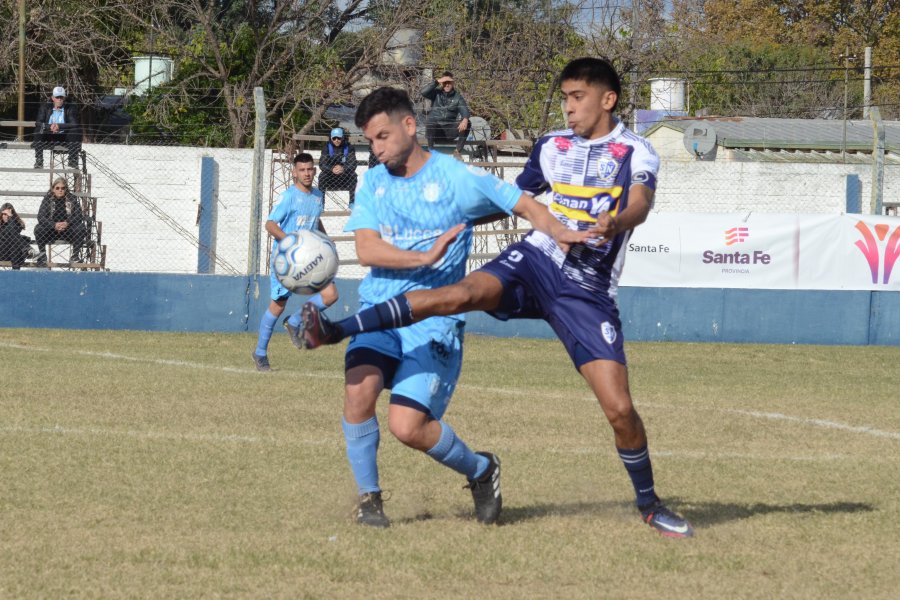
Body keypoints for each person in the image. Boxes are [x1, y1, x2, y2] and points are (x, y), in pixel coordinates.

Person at [302, 58, 695, 538]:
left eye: (577, 98)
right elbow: (513, 200)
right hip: (535, 261)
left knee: (618, 408)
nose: (568, 108)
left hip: (586, 290)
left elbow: (641, 202)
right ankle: (339, 330)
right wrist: (456, 222)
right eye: (565, 98)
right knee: (459, 294)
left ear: (607, 99)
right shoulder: (551, 146)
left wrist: (617, 221)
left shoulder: (636, 150)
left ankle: (649, 503)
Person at [302, 86, 587, 529]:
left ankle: (481, 470)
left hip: (433, 321)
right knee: (358, 392)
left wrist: (561, 233)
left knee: (407, 427)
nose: (375, 150)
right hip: (380, 310)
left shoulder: (456, 178)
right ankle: (370, 500)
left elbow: (523, 202)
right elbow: (367, 249)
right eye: (370, 141)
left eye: (381, 137)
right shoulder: (375, 181)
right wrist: (424, 257)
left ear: (410, 126)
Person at [251, 152, 339, 372]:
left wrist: (326, 241)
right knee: (278, 305)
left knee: (331, 295)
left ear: (315, 171)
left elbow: (314, 222)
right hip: (287, 261)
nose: (307, 173)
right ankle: (260, 353)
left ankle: (296, 320)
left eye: (310, 169)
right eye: (302, 170)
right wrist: (291, 242)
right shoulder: (289, 196)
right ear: (294, 173)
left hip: (310, 257)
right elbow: (270, 225)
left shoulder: (318, 195)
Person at [33, 177, 86, 267]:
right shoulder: (47, 199)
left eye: (63, 188)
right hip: (51, 231)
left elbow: (79, 216)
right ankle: (42, 255)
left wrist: (67, 223)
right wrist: (54, 225)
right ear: (53, 189)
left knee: (81, 227)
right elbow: (40, 217)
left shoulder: (72, 199)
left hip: (68, 230)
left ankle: (75, 256)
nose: (60, 190)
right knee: (38, 228)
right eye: (57, 188)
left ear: (66, 189)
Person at [420, 71, 471, 159]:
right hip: (435, 131)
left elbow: (464, 110)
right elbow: (423, 92)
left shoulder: (458, 97)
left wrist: (465, 119)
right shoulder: (436, 93)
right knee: (431, 120)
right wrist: (436, 81)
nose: (447, 85)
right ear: (442, 83)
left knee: (468, 122)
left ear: (453, 83)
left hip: (449, 131)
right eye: (445, 83)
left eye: (449, 83)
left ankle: (457, 152)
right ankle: (431, 152)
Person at [33, 86, 81, 169]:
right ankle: (39, 160)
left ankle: (73, 160)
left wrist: (59, 126)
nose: (59, 99)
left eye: (61, 97)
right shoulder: (45, 107)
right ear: (52, 98)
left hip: (64, 137)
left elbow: (74, 123)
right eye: (57, 97)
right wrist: (49, 127)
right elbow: (38, 123)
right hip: (49, 136)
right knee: (38, 130)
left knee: (75, 130)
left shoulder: (70, 108)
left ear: (64, 98)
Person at [318, 128, 358, 205]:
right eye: (334, 138)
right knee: (322, 176)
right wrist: (331, 169)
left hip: (345, 176)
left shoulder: (349, 148)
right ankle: (321, 203)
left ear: (343, 137)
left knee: (353, 175)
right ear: (331, 138)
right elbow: (322, 164)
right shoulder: (326, 148)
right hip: (330, 177)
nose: (336, 140)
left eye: (339, 138)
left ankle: (352, 202)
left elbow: (353, 164)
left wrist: (343, 168)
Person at [0, 203, 34, 269]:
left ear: (12, 214)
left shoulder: (17, 224)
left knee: (14, 244)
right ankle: (28, 249)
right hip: (2, 252)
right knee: (14, 240)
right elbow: (6, 234)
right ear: (1, 214)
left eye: (8, 214)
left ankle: (15, 273)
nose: (6, 216)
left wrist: (11, 218)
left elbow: (13, 231)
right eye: (5, 214)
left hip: (14, 252)